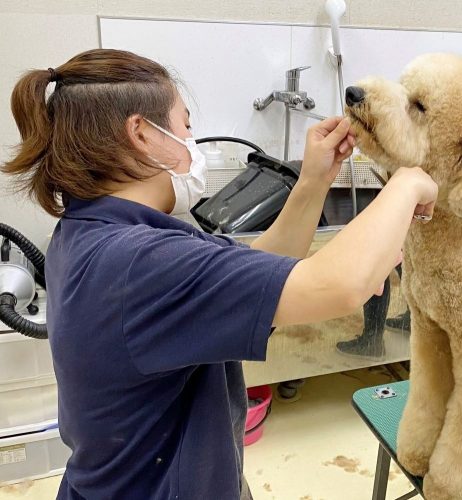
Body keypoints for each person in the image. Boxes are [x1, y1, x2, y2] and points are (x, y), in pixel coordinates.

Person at [0, 49, 437, 500]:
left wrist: (313, 181)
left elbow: (263, 272)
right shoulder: (140, 263)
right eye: (185, 125)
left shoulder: (92, 233)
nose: (192, 140)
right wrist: (407, 182)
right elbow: (341, 285)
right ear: (141, 135)